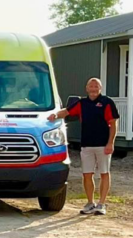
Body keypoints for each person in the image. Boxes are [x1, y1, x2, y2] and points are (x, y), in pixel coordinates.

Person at [48, 78, 119, 216]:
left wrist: (110, 143)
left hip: (103, 145)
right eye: (91, 86)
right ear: (87, 88)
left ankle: (101, 204)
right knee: (87, 174)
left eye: (96, 86)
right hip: (86, 145)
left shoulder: (107, 102)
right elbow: (66, 112)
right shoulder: (82, 103)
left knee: (104, 173)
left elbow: (113, 124)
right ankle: (90, 203)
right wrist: (55, 115)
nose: (93, 89)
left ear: (100, 88)